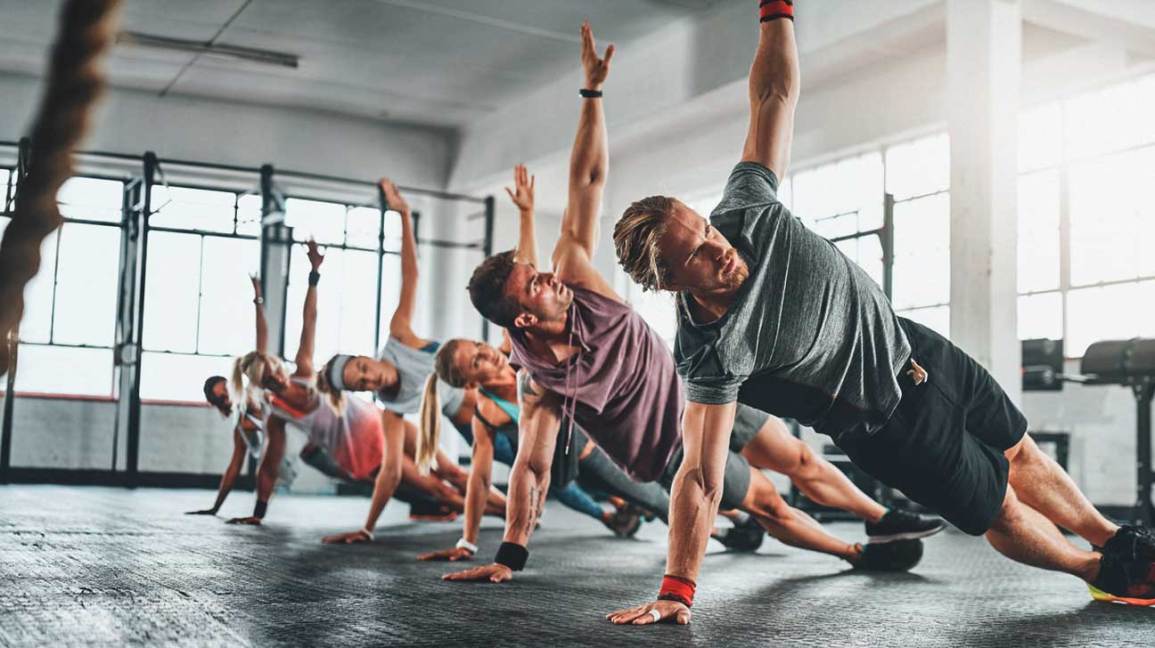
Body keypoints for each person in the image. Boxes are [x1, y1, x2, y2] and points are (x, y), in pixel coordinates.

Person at [610, 0, 1155, 618]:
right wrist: (677, 587)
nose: (722, 249)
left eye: (708, 231)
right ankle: (1100, 572)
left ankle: (1116, 539)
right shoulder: (710, 352)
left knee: (1019, 451)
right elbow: (701, 476)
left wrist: (776, 10)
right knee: (997, 506)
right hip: (888, 425)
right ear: (672, 284)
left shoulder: (746, 208)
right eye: (700, 255)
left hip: (919, 350)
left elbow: (773, 97)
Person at [446, 21, 940, 590]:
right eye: (535, 286)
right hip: (667, 447)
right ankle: (854, 552)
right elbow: (532, 468)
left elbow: (588, 180)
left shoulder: (577, 278)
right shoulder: (540, 384)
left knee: (799, 460)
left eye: (539, 273)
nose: (551, 279)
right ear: (526, 320)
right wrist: (511, 554)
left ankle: (884, 519)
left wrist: (592, 94)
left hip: (706, 387)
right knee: (765, 502)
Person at [226, 239, 499, 539]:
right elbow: (268, 463)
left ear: (278, 363)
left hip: (377, 423)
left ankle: (512, 510)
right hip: (362, 455)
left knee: (454, 473)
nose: (277, 379)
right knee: (438, 490)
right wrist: (258, 512)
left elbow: (309, 321)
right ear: (262, 386)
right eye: (268, 381)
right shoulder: (278, 415)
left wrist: (313, 275)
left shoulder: (305, 371)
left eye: (275, 371)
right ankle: (504, 515)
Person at [317, 178, 507, 544]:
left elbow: (411, 275)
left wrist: (403, 215)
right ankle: (509, 512)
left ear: (364, 358)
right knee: (457, 474)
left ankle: (519, 510)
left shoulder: (399, 336)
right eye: (361, 385)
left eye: (362, 370)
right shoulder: (390, 409)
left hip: (491, 385)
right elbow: (389, 471)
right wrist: (367, 528)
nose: (369, 380)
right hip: (467, 415)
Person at [188, 275, 296, 516]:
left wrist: (257, 299)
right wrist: (215, 508)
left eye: (226, 390)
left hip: (302, 439)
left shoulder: (254, 387)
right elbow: (234, 467)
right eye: (221, 398)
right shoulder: (241, 428)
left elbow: (262, 342)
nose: (227, 397)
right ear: (219, 405)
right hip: (283, 465)